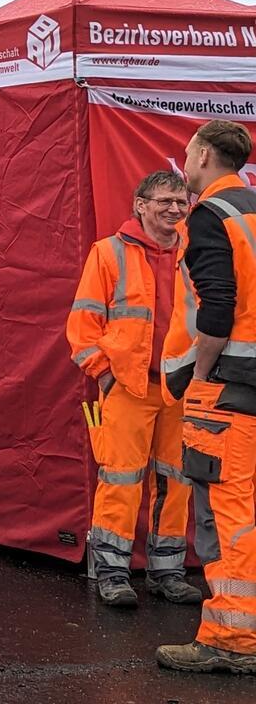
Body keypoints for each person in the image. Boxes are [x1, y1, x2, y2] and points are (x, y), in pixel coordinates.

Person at [67, 170, 202, 607]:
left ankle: (167, 570)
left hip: (179, 390)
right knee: (120, 481)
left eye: (181, 202)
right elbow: (82, 326)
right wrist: (105, 375)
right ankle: (112, 572)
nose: (174, 209)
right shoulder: (107, 253)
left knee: (177, 482)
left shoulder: (196, 252)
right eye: (164, 201)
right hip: (128, 387)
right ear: (140, 205)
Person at [157, 120, 256, 675]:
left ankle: (233, 641)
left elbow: (216, 307)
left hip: (228, 390)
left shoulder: (211, 217)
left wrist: (201, 375)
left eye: (187, 153)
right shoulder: (251, 209)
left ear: (200, 154)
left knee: (228, 513)